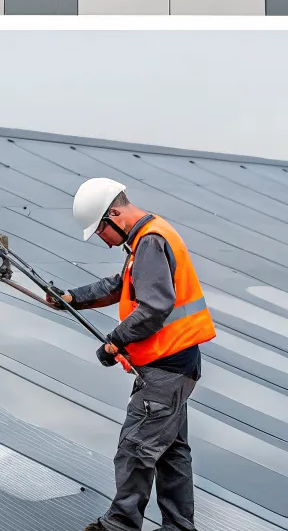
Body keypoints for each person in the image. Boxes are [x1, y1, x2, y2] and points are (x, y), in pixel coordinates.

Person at [48, 178, 215, 531]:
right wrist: (72, 297)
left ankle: (119, 526)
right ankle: (178, 526)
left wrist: (115, 341)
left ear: (114, 215)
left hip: (165, 368)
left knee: (136, 448)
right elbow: (120, 285)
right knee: (170, 452)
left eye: (100, 231)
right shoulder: (149, 236)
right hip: (177, 366)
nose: (102, 240)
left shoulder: (151, 242)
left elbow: (155, 305)